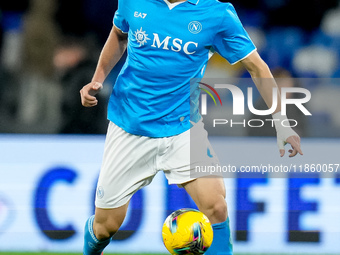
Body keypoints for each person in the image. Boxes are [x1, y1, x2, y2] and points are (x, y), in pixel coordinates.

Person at [80, 0, 303, 254]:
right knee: (105, 227)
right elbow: (119, 35)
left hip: (183, 128)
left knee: (216, 207)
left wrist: (281, 122)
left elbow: (257, 66)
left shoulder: (217, 14)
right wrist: (97, 79)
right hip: (130, 126)